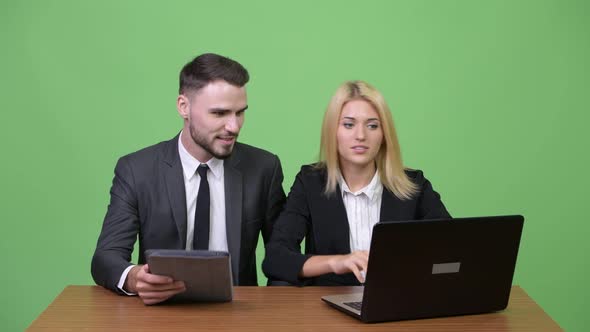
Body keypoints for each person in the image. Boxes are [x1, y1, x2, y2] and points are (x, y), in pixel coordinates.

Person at [91, 53, 286, 304]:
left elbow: (282, 256)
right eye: (219, 113)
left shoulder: (264, 168)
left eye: (240, 113)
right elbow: (106, 256)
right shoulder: (136, 170)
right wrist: (134, 277)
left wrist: (273, 309)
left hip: (238, 313)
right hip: (160, 313)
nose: (234, 126)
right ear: (184, 107)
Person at [262, 80, 450, 286]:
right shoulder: (310, 183)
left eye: (372, 125)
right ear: (333, 131)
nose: (361, 136)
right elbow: (276, 258)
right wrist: (337, 262)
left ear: (384, 135)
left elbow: (453, 251)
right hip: (328, 308)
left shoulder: (414, 185)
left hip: (398, 302)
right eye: (349, 124)